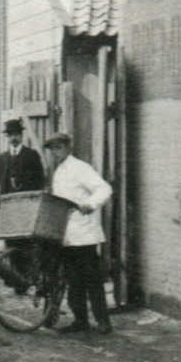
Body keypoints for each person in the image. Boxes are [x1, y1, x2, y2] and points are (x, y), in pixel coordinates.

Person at [44, 132, 114, 335]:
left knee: (92, 280)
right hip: (67, 235)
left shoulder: (80, 168)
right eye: (52, 149)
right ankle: (80, 320)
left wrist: (90, 205)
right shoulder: (59, 171)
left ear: (68, 148)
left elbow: (104, 188)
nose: (55, 153)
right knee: (74, 281)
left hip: (85, 235)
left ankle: (103, 321)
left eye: (58, 148)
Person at [0, 118, 45, 195]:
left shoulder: (32, 155)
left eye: (16, 134)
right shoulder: (3, 158)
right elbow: (1, 183)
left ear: (21, 135)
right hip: (9, 202)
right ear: (7, 137)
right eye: (10, 135)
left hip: (28, 200)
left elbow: (39, 182)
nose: (13, 138)